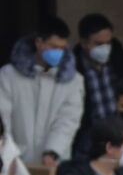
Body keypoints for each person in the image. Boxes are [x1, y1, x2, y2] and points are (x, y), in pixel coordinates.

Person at [0, 19, 84, 167]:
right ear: (39, 42)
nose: (58, 52)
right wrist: (8, 154)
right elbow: (3, 118)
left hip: (55, 164)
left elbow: (68, 120)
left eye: (62, 48)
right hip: (15, 162)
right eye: (53, 46)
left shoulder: (73, 81)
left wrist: (52, 152)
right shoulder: (8, 75)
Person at [69, 14, 123, 153]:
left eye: (108, 43)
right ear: (84, 42)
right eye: (98, 44)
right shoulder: (72, 68)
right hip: (88, 138)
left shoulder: (121, 61)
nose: (105, 48)